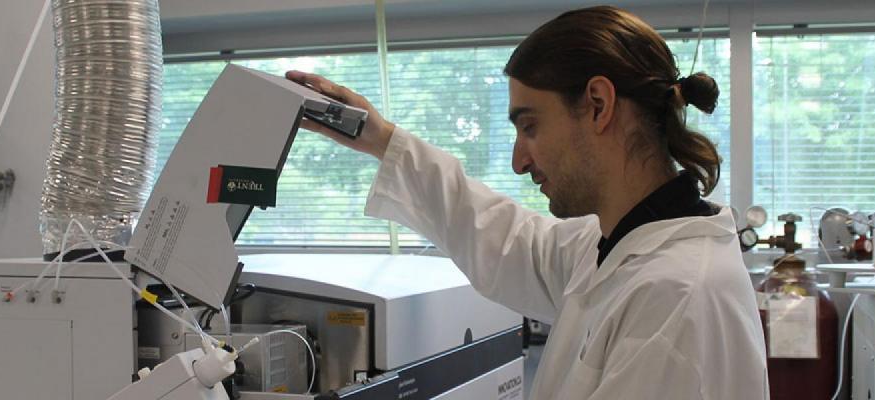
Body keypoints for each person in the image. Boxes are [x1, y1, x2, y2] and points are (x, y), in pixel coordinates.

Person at [288, 5, 767, 400]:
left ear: (598, 105)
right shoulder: (613, 245)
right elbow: (506, 238)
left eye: (530, 126)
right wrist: (382, 140)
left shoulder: (677, 296)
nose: (519, 161)